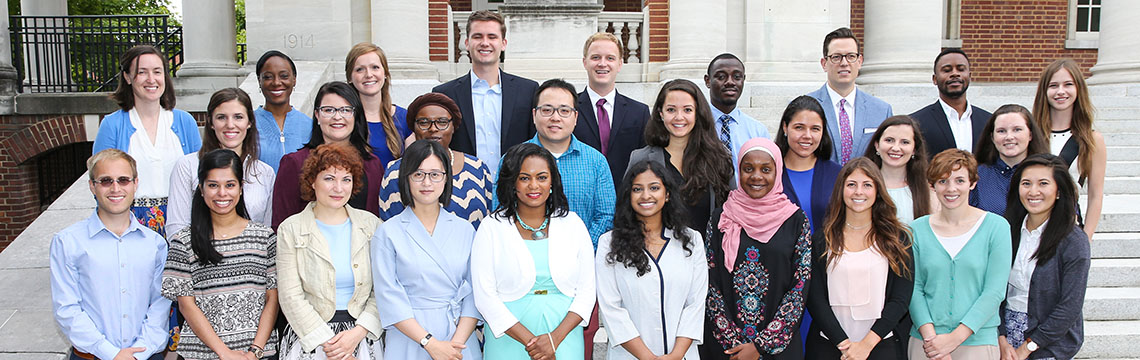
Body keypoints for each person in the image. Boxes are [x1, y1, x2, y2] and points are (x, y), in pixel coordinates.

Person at [471, 143, 596, 360]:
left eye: (541, 177)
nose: (533, 186)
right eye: (524, 178)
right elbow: (485, 296)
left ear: (552, 182)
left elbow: (587, 292)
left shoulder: (573, 224)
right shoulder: (491, 227)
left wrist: (553, 340)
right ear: (513, 184)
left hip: (563, 339)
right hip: (508, 339)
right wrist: (534, 344)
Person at [51, 149, 171, 360]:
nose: (116, 188)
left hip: (144, 355)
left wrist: (137, 353)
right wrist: (110, 353)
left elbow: (160, 304)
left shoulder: (156, 245)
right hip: (91, 355)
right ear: (92, 186)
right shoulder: (68, 242)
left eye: (123, 180)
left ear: (135, 184)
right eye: (106, 181)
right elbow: (67, 308)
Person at [161, 149, 278, 360]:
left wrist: (255, 352)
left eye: (230, 185)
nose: (222, 193)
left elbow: (273, 298)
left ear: (241, 189)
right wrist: (224, 353)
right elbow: (187, 306)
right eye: (213, 185)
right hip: (202, 354)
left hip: (259, 354)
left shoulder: (264, 237)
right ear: (201, 189)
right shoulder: (183, 241)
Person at [701, 137, 811, 360]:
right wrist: (735, 343)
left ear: (777, 171)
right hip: (728, 350)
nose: (757, 176)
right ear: (739, 173)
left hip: (779, 349)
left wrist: (761, 346)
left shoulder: (796, 220)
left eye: (766, 169)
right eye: (748, 169)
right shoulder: (721, 217)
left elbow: (800, 286)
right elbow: (709, 282)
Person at [372, 140, 482, 360]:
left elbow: (475, 292)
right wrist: (429, 343)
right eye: (418, 174)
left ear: (446, 178)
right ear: (406, 178)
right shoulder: (388, 232)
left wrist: (454, 346)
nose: (426, 183)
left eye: (435, 174)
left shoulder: (465, 229)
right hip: (410, 338)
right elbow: (388, 296)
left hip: (459, 340)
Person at [276, 143, 383, 360]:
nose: (339, 188)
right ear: (312, 181)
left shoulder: (372, 226)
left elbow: (383, 289)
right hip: (311, 340)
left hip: (362, 338)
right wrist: (332, 346)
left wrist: (357, 334)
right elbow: (290, 295)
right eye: (329, 179)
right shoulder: (291, 228)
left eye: (346, 179)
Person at [596, 159, 707, 359]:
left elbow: (695, 305)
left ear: (667, 195)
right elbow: (611, 310)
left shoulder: (692, 241)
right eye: (637, 189)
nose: (646, 195)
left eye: (654, 188)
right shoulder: (608, 244)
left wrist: (676, 355)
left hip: (681, 355)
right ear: (628, 195)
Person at [805, 158, 914, 360]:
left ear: (878, 190)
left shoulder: (897, 239)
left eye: (867, 185)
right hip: (829, 346)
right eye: (851, 185)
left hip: (880, 346)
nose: (858, 192)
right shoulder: (822, 239)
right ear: (841, 190)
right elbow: (814, 297)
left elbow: (900, 299)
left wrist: (866, 345)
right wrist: (844, 344)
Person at [908, 149, 1011, 360]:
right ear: (932, 185)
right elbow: (913, 288)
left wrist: (953, 340)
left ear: (972, 183)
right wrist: (933, 342)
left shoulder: (997, 227)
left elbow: (994, 291)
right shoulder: (915, 230)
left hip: (978, 343)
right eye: (943, 181)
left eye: (960, 180)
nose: (951, 188)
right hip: (926, 344)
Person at [92, 45, 202, 237]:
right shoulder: (112, 125)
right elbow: (101, 184)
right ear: (127, 77)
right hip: (130, 225)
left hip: (183, 223)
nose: (151, 79)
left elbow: (201, 177)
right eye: (142, 72)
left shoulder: (185, 122)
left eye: (157, 72)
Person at [998, 154, 1091, 360]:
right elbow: (993, 290)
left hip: (1050, 342)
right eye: (1026, 183)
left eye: (1043, 184)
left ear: (1058, 191)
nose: (1033, 191)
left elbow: (1070, 306)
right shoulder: (1005, 231)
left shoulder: (1073, 241)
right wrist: (1001, 337)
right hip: (1003, 334)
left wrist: (1027, 348)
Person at [433, 10, 539, 180]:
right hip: (463, 190)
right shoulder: (445, 94)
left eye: (492, 37)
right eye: (477, 37)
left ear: (503, 43)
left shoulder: (528, 91)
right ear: (467, 43)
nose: (485, 43)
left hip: (516, 189)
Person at [272, 81, 384, 230]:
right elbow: (281, 225)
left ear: (356, 115)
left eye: (345, 110)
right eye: (329, 110)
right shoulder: (294, 163)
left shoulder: (372, 165)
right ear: (317, 115)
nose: (337, 117)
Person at [629, 79, 734, 238]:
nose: (679, 117)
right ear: (660, 113)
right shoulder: (640, 158)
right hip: (657, 257)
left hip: (706, 258)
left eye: (687, 110)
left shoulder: (719, 159)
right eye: (671, 109)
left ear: (698, 114)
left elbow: (733, 210)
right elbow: (627, 213)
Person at [168, 88, 275, 236]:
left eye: (238, 117)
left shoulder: (265, 173)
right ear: (211, 122)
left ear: (249, 122)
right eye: (221, 117)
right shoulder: (187, 166)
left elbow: (267, 231)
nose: (230, 125)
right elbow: (176, 228)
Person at [378, 93, 494, 227]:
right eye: (424, 122)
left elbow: (489, 222)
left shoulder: (477, 168)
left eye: (442, 122)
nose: (433, 128)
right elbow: (390, 226)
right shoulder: (395, 171)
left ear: (453, 127)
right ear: (413, 128)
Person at [522, 78, 615, 246]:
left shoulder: (596, 162)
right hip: (525, 259)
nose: (555, 117)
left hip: (582, 261)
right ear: (534, 115)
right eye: (547, 110)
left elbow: (606, 215)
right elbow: (503, 212)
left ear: (575, 117)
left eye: (564, 111)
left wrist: (582, 250)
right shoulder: (514, 160)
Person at [1032, 58, 1106, 239]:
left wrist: (1085, 239)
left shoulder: (1092, 140)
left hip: (1069, 229)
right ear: (1044, 91)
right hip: (1031, 229)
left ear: (1078, 89)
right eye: (1053, 85)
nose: (1061, 91)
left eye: (1068, 84)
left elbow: (1096, 195)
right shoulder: (1030, 134)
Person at [807, 27, 893, 165]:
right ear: (824, 64)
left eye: (851, 56)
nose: (844, 63)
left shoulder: (882, 111)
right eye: (836, 57)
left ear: (859, 61)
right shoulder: (805, 107)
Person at [574, 32, 651, 186]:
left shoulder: (639, 112)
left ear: (620, 64)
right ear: (585, 62)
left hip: (625, 200)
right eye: (595, 57)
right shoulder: (568, 108)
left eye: (610, 58)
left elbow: (646, 161)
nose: (602, 64)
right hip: (579, 197)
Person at [776, 95, 841, 233]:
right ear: (785, 127)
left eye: (815, 129)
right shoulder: (770, 174)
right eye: (799, 127)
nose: (807, 135)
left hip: (828, 252)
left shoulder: (838, 174)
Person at [910, 48, 993, 155]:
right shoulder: (916, 122)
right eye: (947, 70)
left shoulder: (988, 121)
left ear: (970, 76)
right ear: (935, 79)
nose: (955, 74)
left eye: (961, 69)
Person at [970, 105, 1049, 216]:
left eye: (1017, 130)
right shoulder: (977, 176)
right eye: (1001, 131)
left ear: (1030, 134)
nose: (1009, 137)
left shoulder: (1050, 173)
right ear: (992, 137)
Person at [706, 53, 772, 180]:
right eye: (721, 77)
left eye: (737, 77)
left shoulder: (757, 131)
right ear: (708, 81)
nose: (730, 82)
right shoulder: (695, 125)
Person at [346, 42, 411, 167]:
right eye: (360, 69)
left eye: (375, 67)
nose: (369, 75)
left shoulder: (404, 118)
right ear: (350, 77)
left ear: (385, 73)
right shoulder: (343, 119)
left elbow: (413, 168)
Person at [864, 116, 934, 224]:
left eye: (904, 142)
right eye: (889, 140)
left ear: (914, 149)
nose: (896, 148)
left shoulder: (929, 189)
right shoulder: (862, 186)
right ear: (877, 145)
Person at [254, 50, 312, 172]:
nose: (276, 82)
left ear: (294, 80)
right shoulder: (248, 123)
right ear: (259, 81)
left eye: (284, 76)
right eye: (268, 77)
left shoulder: (309, 125)